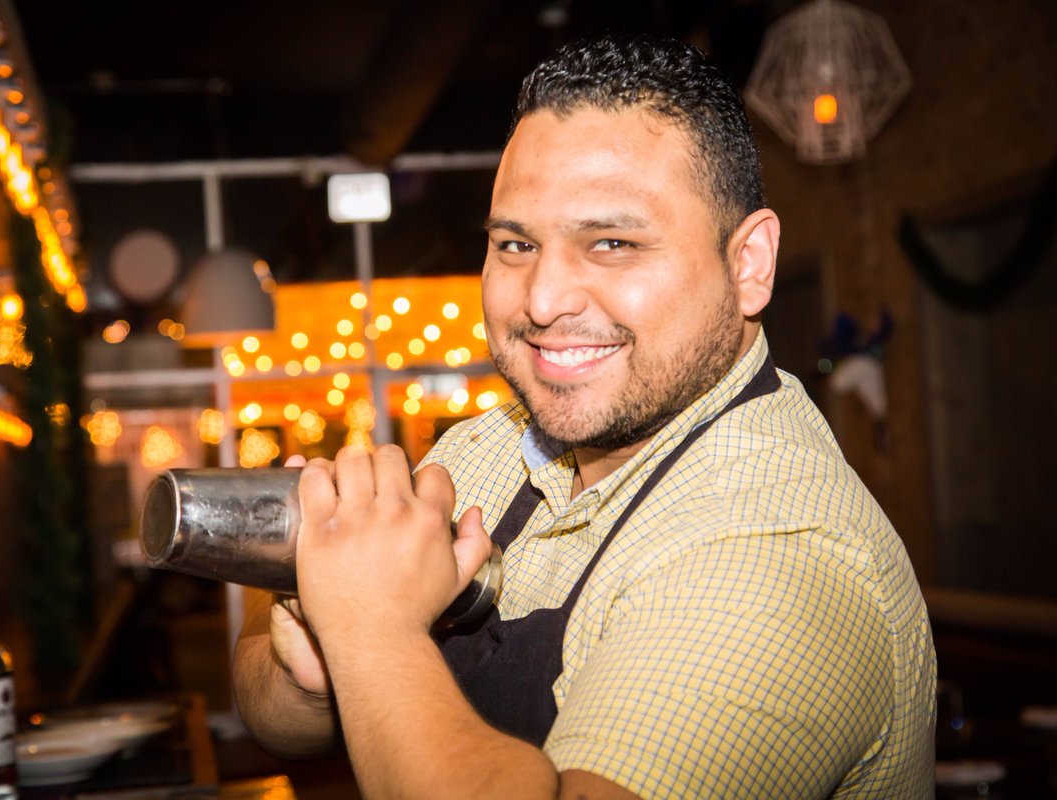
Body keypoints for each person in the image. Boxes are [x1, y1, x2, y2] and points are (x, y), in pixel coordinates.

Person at [233, 34, 936, 799]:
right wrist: (309, 668)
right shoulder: (486, 449)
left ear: (749, 265)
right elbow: (270, 714)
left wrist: (371, 631)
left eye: (612, 242)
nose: (540, 300)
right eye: (515, 243)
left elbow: (374, 638)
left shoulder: (778, 551)